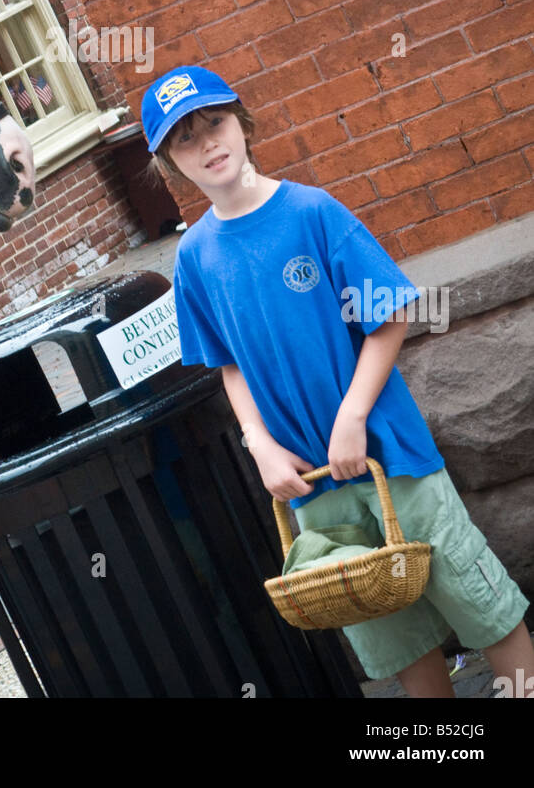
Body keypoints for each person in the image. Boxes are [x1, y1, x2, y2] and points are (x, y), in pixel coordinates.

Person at [141, 64, 534, 698]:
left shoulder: (310, 212)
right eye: (185, 139)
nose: (207, 144)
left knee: (481, 604)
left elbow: (391, 314)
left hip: (391, 458)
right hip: (312, 487)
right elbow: (228, 363)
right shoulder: (194, 258)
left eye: (214, 123)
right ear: (168, 164)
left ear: (242, 123)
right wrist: (260, 445)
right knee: (399, 636)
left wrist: (352, 417)